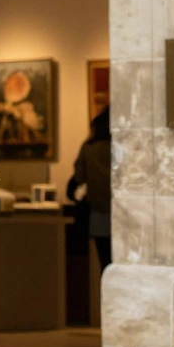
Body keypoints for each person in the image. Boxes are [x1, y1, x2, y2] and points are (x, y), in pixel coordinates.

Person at [69, 106, 112, 272]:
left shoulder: (89, 149)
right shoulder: (124, 147)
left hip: (99, 215)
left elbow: (79, 177)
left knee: (105, 265)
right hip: (124, 216)